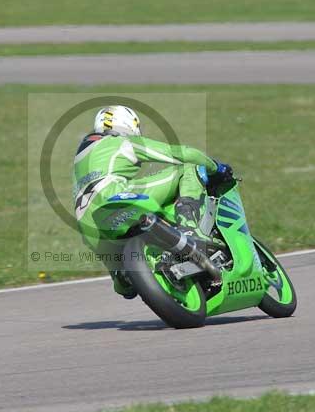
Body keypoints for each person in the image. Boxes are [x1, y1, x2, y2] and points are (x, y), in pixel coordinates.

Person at [73, 105, 229, 299]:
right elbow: (185, 154)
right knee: (189, 168)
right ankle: (190, 228)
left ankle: (122, 274)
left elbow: (127, 294)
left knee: (125, 287)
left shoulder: (81, 156)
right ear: (129, 124)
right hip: (116, 197)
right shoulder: (120, 141)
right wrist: (217, 167)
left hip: (89, 226)